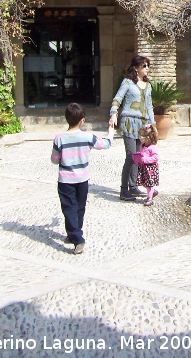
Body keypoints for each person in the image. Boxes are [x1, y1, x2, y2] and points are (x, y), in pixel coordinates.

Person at [51, 103, 114, 255]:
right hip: (82, 179)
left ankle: (77, 238)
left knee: (69, 208)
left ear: (66, 119)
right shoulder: (88, 137)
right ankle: (74, 233)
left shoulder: (59, 138)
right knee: (79, 207)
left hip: (65, 180)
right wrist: (111, 131)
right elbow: (105, 144)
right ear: (82, 121)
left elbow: (54, 159)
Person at [109, 55, 155, 201]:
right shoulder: (127, 82)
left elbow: (149, 106)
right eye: (144, 66)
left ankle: (133, 186)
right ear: (136, 68)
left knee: (138, 156)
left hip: (143, 125)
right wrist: (113, 113)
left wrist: (153, 125)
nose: (147, 68)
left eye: (148, 66)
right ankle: (124, 190)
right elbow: (118, 98)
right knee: (130, 156)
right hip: (129, 122)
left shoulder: (148, 85)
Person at [132, 124, 160, 206]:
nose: (140, 138)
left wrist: (146, 159)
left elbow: (156, 157)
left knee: (149, 184)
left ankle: (149, 198)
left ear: (148, 138)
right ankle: (152, 192)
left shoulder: (153, 147)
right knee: (144, 182)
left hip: (150, 168)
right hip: (144, 167)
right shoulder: (142, 146)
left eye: (141, 137)